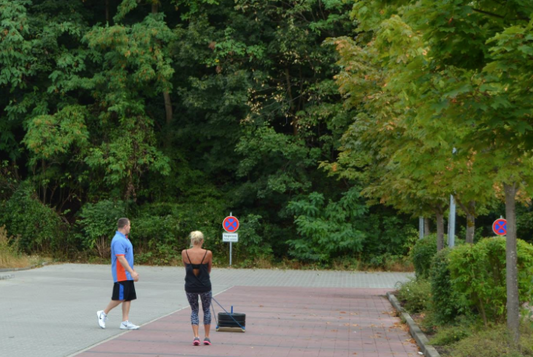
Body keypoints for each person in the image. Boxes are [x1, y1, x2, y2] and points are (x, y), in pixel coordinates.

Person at [96, 217, 140, 330]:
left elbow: (128, 258)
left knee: (128, 297)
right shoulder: (118, 240)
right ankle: (103, 313)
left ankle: (125, 322)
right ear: (125, 226)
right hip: (121, 274)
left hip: (128, 274)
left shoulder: (125, 239)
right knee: (120, 297)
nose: (130, 227)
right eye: (129, 225)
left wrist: (133, 271)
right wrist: (131, 272)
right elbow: (120, 258)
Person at [182, 231, 213, 346]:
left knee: (194, 310)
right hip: (205, 285)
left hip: (190, 286)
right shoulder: (208, 253)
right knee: (207, 310)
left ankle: (196, 336)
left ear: (191, 241)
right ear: (202, 241)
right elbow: (209, 269)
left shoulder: (184, 253)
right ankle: (207, 337)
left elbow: (186, 267)